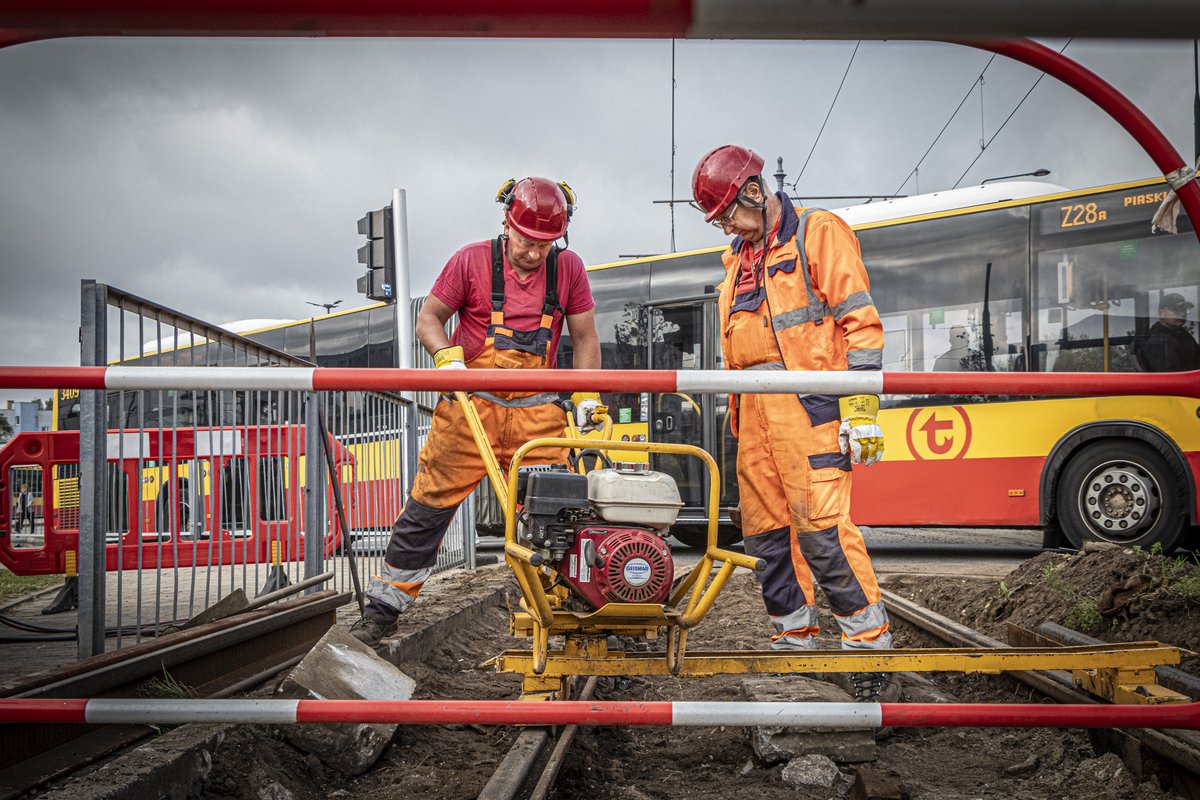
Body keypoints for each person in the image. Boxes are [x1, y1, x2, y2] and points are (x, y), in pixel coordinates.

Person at [352, 177, 603, 647]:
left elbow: (586, 339)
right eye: (526, 240)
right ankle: (384, 607)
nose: (533, 252)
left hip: (538, 420)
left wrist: (588, 396)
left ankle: (559, 611)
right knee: (429, 506)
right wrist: (446, 357)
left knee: (554, 515)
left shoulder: (569, 269)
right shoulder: (470, 261)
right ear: (507, 225)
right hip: (469, 412)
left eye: (545, 244)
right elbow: (429, 318)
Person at [692, 145, 899, 703]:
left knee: (823, 532)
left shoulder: (818, 233)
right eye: (719, 221)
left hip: (809, 410)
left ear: (754, 192)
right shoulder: (737, 260)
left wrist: (860, 411)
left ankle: (868, 645)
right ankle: (794, 638)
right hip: (753, 415)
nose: (726, 227)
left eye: (728, 214)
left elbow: (861, 325)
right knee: (765, 538)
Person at [1135, 293, 1200, 372]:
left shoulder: (1182, 334)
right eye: (1176, 309)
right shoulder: (1158, 341)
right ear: (1162, 313)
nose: (1182, 313)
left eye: (1184, 309)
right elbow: (1170, 378)